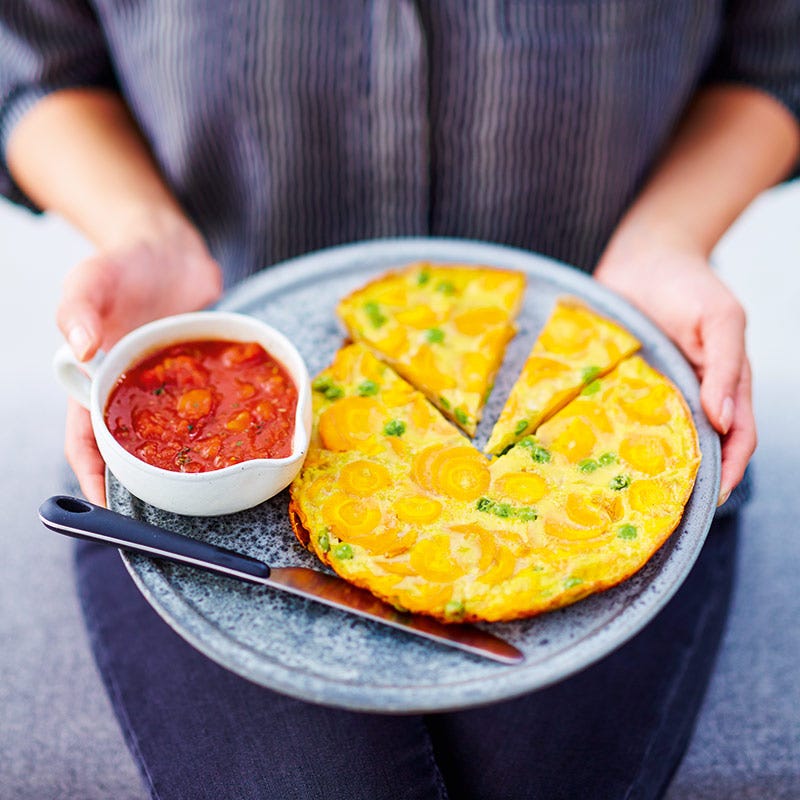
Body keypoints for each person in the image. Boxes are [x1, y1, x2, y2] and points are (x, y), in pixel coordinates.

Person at [1, 2, 798, 798]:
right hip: (209, 395)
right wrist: (142, 231)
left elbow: (776, 57)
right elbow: (36, 62)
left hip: (625, 325)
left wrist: (672, 235)